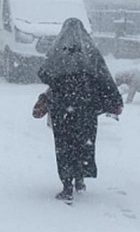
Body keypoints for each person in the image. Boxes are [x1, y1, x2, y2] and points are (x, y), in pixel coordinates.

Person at [36, 18, 123, 201]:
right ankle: (80, 178)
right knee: (83, 143)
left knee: (64, 146)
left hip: (62, 108)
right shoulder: (90, 52)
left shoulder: (57, 52)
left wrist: (61, 83)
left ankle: (67, 185)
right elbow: (104, 77)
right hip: (86, 108)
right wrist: (114, 100)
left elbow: (44, 73)